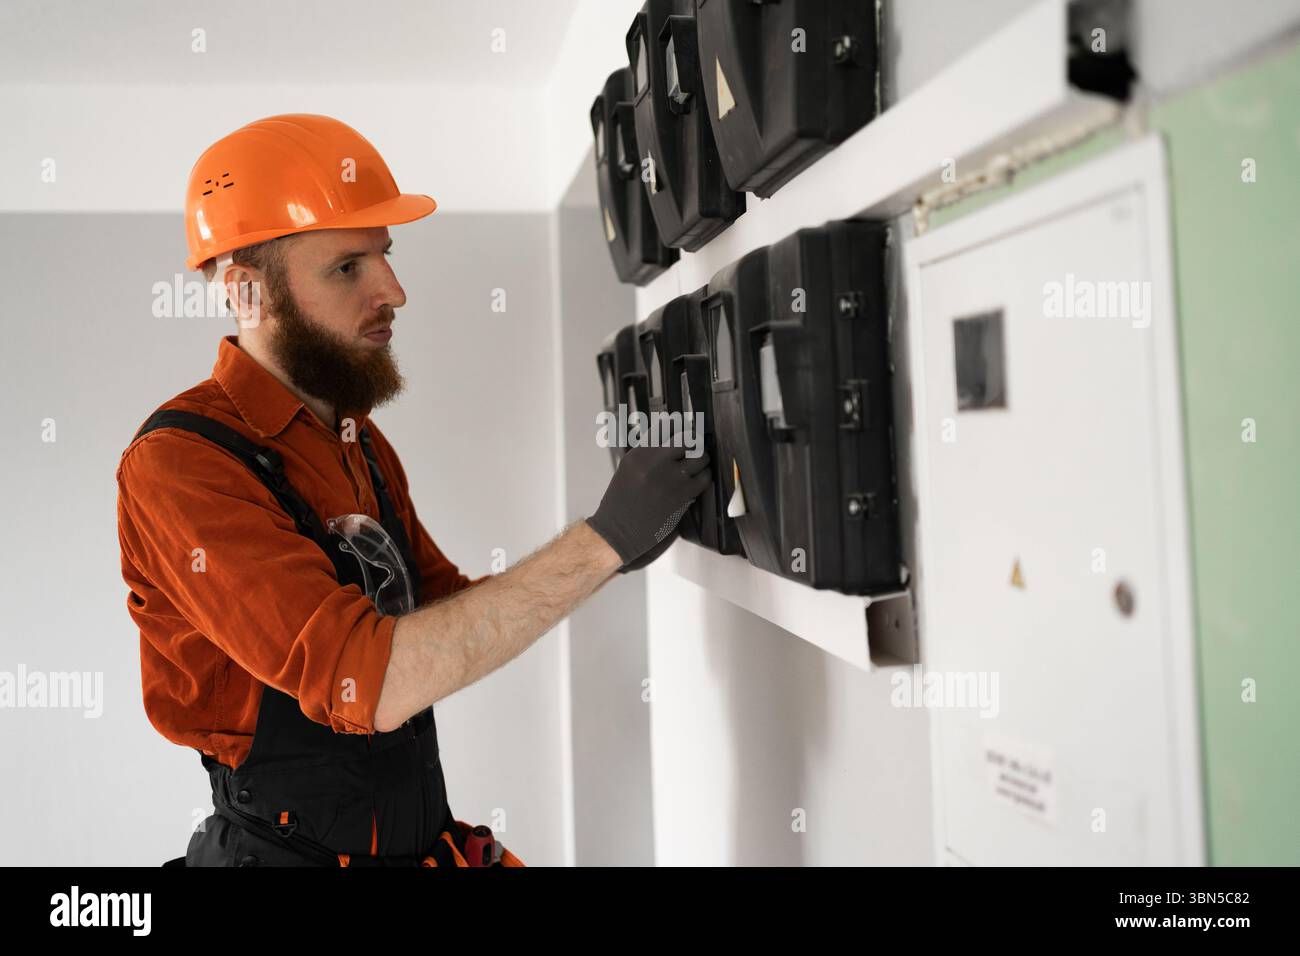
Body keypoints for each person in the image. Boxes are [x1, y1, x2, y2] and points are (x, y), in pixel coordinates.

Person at [116, 114, 710, 867]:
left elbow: (439, 615)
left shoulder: (357, 440)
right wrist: (602, 543)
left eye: (385, 257)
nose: (393, 290)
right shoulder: (181, 465)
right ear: (248, 292)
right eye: (347, 267)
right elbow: (376, 677)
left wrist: (618, 546)